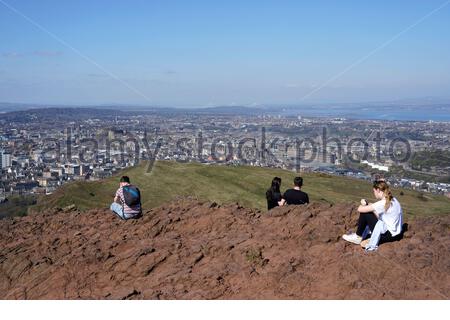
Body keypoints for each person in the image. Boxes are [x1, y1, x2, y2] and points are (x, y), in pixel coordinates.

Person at [342, 180, 403, 251]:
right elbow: (378, 214)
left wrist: (363, 204)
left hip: (387, 236)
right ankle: (365, 237)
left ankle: (358, 236)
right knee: (369, 211)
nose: (374, 193)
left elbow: (360, 209)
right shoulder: (393, 200)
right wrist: (370, 207)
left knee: (366, 213)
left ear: (378, 190)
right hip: (396, 235)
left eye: (374, 191)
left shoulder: (382, 203)